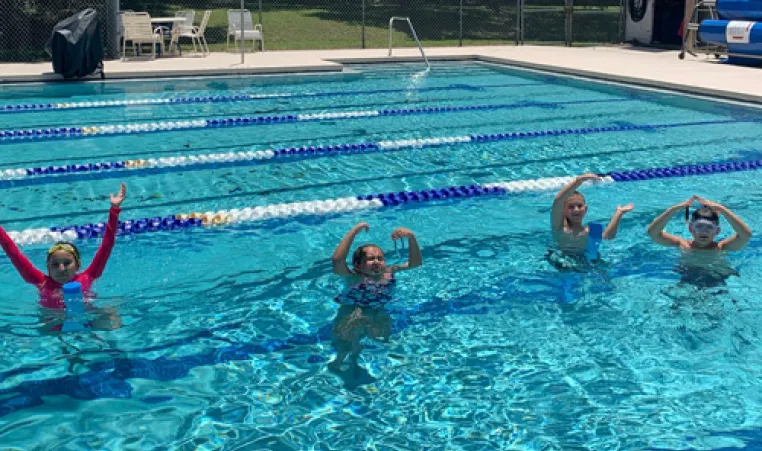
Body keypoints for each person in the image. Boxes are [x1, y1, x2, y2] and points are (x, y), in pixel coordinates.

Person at [0, 183, 127, 309]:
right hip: (53, 324)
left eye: (67, 263)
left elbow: (106, 246)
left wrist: (114, 210)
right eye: (55, 264)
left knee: (110, 312)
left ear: (78, 265)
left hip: (87, 319)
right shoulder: (40, 281)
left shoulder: (89, 275)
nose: (61, 269)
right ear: (48, 268)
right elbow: (13, 253)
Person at [329, 221, 422, 375]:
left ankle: (366, 363)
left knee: (383, 339)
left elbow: (415, 263)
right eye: (370, 259)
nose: (377, 261)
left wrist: (411, 237)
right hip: (353, 311)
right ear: (357, 265)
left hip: (378, 311)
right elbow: (337, 261)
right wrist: (354, 231)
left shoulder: (389, 272)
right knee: (345, 343)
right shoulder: (354, 278)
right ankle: (339, 363)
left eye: (380, 258)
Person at [647, 195, 751, 288]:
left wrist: (722, 209)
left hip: (717, 282)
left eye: (709, 228)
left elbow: (745, 235)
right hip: (688, 281)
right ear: (691, 229)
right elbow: (653, 233)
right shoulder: (683, 245)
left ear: (717, 231)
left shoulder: (721, 247)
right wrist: (673, 210)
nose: (703, 231)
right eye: (699, 226)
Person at [548, 173, 634, 269]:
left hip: (585, 262)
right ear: (563, 211)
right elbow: (558, 201)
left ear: (586, 209)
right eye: (571, 207)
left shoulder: (591, 230)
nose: (576, 209)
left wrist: (619, 213)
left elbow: (607, 237)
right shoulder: (560, 227)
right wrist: (578, 181)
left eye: (579, 206)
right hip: (562, 261)